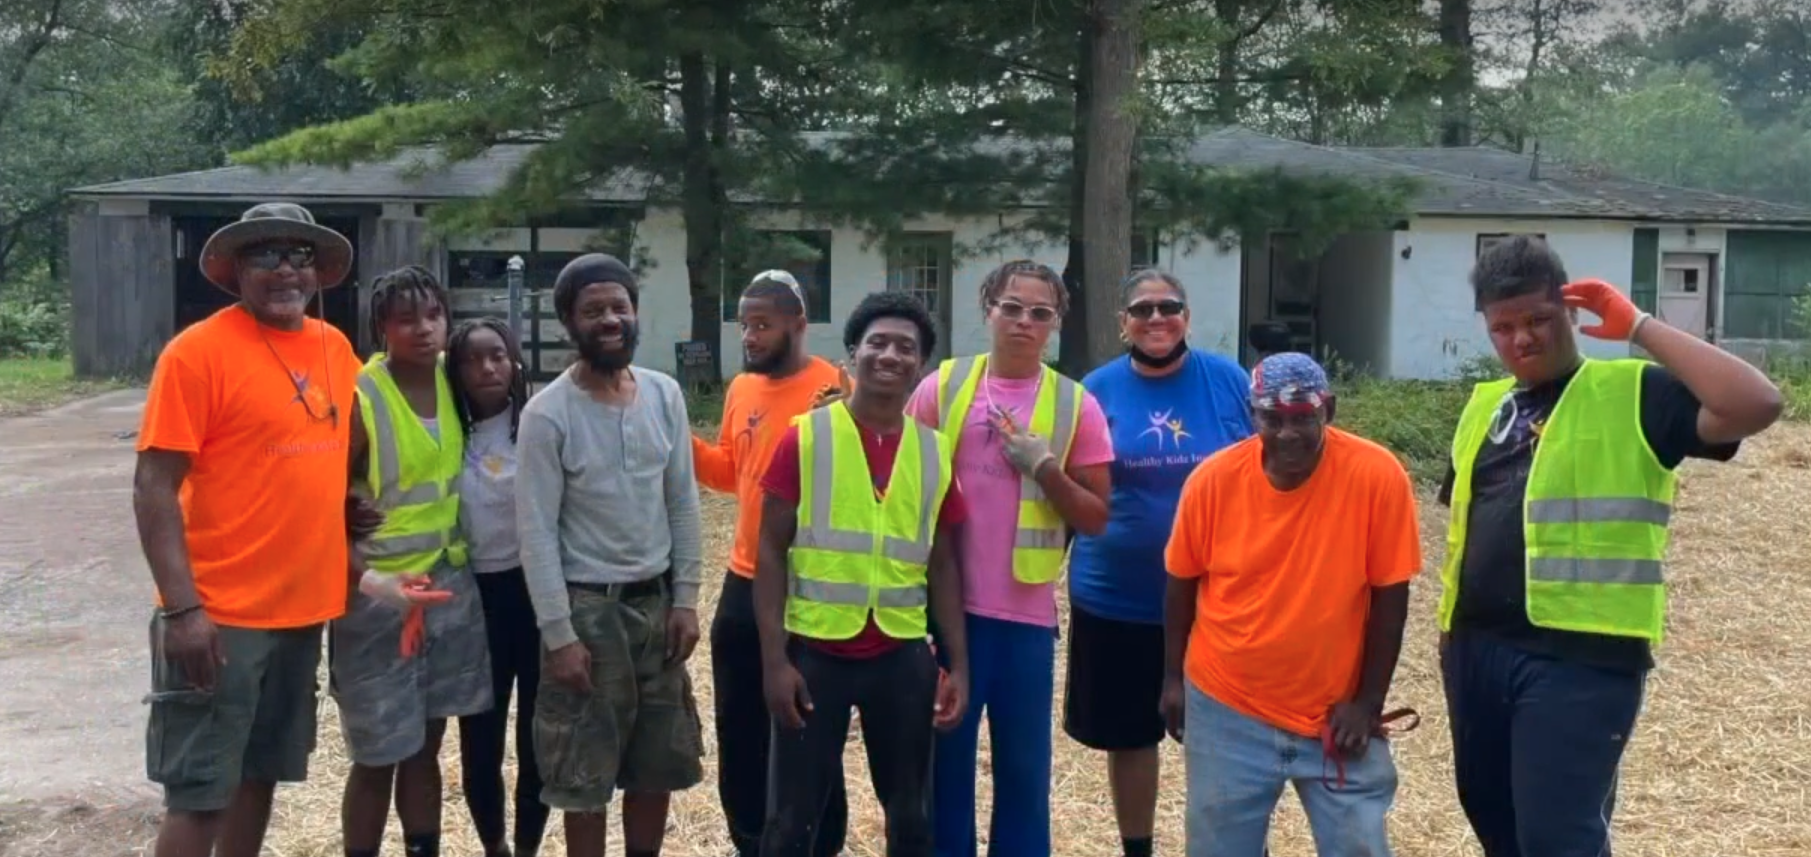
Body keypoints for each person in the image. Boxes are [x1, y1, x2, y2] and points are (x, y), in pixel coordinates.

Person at [1437, 236, 1784, 857]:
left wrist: (1640, 327)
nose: (1522, 339)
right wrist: (1450, 644)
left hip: (1580, 662)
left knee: (1557, 838)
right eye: (1504, 327)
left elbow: (1756, 404)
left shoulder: (1636, 393)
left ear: (1570, 312)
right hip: (1476, 654)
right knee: (1498, 829)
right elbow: (1466, 528)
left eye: (1539, 319)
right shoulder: (1484, 407)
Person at [133, 202, 364, 857]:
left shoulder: (335, 348)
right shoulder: (197, 353)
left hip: (301, 614)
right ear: (236, 270)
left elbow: (333, 450)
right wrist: (182, 608)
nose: (285, 269)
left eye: (299, 255)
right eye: (266, 255)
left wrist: (348, 503)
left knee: (260, 774)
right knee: (200, 794)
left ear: (318, 270)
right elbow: (152, 485)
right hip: (219, 615)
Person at [1162, 352, 1422, 857]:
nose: (1287, 434)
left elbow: (1392, 597)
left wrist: (1367, 704)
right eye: (1271, 419)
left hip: (1331, 712)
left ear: (1329, 408)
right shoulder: (1212, 481)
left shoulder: (1377, 474)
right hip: (1226, 700)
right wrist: (1173, 678)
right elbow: (1180, 583)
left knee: (1358, 845)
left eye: (1303, 418)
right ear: (1251, 414)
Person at [905, 259, 1115, 857]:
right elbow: (902, 489)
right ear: (988, 308)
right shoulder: (941, 387)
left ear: (1056, 323)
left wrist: (1044, 467)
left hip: (1024, 621)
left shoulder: (1076, 405)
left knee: (1024, 776)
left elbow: (1097, 517)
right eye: (1012, 307)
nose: (1025, 321)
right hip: (943, 615)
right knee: (943, 770)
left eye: (1040, 312)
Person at [753, 290, 972, 857]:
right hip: (815, 655)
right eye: (877, 342)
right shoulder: (806, 436)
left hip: (900, 658)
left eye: (906, 347)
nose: (890, 355)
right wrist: (775, 662)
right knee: (791, 822)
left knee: (910, 817)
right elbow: (770, 552)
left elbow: (943, 564)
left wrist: (956, 664)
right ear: (852, 354)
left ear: (920, 365)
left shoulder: (935, 452)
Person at [516, 253, 706, 857]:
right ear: (570, 323)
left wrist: (687, 599)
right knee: (583, 772)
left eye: (619, 307)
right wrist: (559, 635)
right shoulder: (547, 414)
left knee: (657, 765)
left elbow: (682, 501)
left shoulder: (664, 395)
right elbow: (537, 532)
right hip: (587, 613)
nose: (609, 319)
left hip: (656, 607)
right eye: (593, 310)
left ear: (635, 314)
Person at [1064, 269, 1253, 857]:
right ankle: (1137, 849)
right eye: (1141, 310)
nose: (1156, 319)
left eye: (1168, 307)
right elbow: (1075, 492)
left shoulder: (1228, 381)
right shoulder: (1094, 390)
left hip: (1217, 599)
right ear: (1122, 322)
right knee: (1131, 736)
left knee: (1225, 740)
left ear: (1187, 316)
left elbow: (1267, 475)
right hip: (1116, 596)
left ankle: (1232, 845)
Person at [336, 266, 494, 857]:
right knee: (379, 752)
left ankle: (422, 846)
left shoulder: (454, 385)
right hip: (378, 597)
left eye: (434, 316)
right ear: (382, 328)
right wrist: (369, 576)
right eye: (406, 319)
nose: (424, 330)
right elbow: (319, 503)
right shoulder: (361, 397)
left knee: (428, 743)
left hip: (445, 587)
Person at [692, 270, 849, 857]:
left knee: (810, 728)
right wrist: (680, 446)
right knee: (740, 727)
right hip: (744, 581)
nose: (751, 337)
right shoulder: (741, 389)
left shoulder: (836, 388)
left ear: (799, 325)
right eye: (745, 326)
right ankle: (749, 841)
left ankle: (818, 842)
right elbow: (733, 474)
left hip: (810, 586)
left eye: (762, 324)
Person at [447, 318, 549, 857]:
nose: (487, 368)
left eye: (498, 356)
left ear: (514, 363)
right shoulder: (445, 431)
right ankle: (495, 846)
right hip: (473, 601)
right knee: (480, 742)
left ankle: (529, 847)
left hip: (534, 598)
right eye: (472, 359)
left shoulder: (538, 423)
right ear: (455, 370)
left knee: (538, 740)